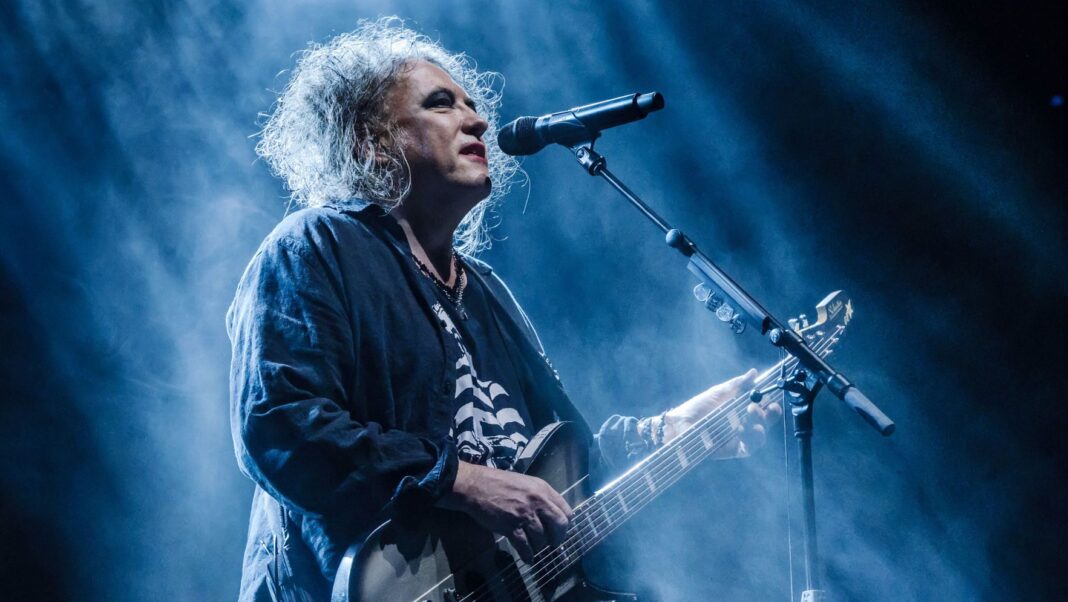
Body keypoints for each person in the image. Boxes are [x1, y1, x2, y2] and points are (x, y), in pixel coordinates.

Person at [229, 18, 779, 601]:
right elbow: (279, 423)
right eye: (443, 104)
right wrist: (460, 481)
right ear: (373, 142)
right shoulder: (316, 247)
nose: (479, 119)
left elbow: (556, 471)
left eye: (473, 103)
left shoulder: (487, 291)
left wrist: (666, 433)